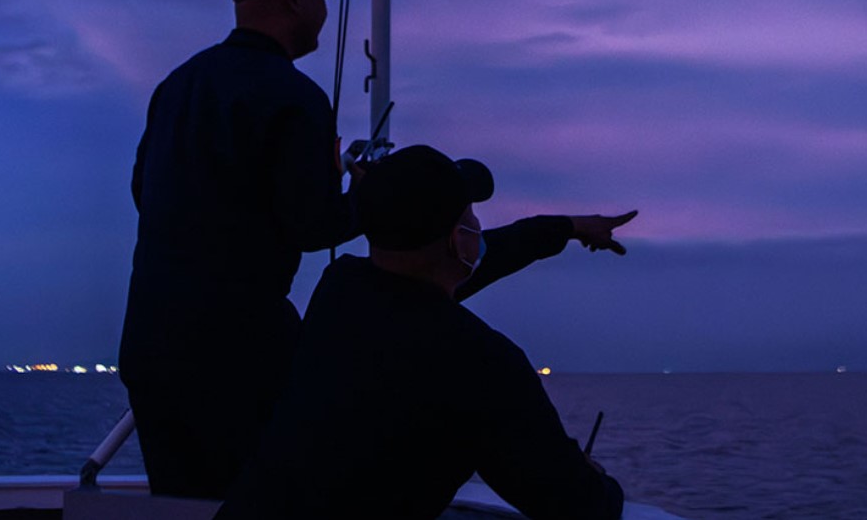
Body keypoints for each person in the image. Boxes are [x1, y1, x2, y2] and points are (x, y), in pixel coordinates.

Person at [216, 145, 630, 520]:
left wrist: (567, 227)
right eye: (470, 215)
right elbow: (579, 506)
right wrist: (595, 478)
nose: (477, 225)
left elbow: (455, 270)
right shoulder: (479, 363)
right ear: (458, 241)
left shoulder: (339, 291)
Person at [118, 0, 360, 499]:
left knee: (182, 504)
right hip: (238, 353)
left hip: (150, 345)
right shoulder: (296, 97)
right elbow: (313, 225)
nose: (326, 11)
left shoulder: (176, 85)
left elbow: (143, 191)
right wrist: (366, 198)